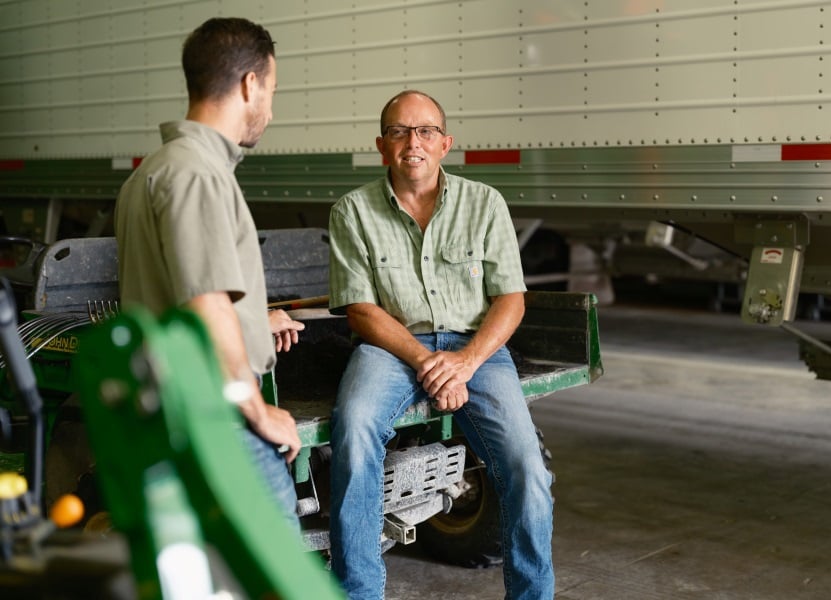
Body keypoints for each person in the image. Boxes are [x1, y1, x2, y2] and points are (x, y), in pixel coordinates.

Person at [327, 90, 554, 599]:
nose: (414, 142)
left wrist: (467, 362)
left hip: (476, 349)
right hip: (391, 348)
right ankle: (359, 592)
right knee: (354, 428)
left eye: (426, 131)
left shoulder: (484, 203)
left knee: (527, 468)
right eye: (399, 131)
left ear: (445, 143)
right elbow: (362, 310)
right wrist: (429, 361)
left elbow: (511, 300)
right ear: (382, 146)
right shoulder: (352, 211)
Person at [113, 17, 305, 526]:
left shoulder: (154, 170)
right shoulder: (196, 174)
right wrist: (259, 412)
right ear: (249, 85)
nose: (270, 108)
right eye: (272, 90)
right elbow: (206, 303)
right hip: (215, 420)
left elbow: (174, 294)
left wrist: (253, 321)